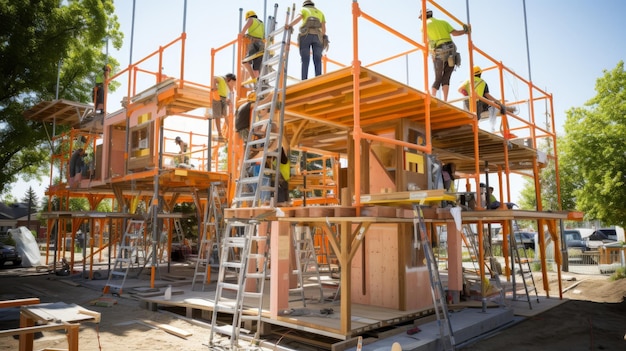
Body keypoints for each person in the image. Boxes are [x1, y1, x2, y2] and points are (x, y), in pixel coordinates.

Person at [421, 9, 469, 101]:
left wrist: (430, 55)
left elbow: (424, 43)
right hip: (451, 50)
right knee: (446, 77)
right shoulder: (443, 22)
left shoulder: (424, 26)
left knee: (438, 77)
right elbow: (455, 33)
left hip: (439, 51)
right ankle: (445, 100)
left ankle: (433, 99)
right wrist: (465, 31)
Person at [289, 0, 327, 80]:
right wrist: (323, 38)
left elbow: (298, 18)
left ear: (304, 5)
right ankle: (318, 78)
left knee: (305, 58)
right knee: (317, 58)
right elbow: (323, 30)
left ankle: (304, 79)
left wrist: (289, 25)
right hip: (317, 36)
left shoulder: (304, 10)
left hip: (305, 35)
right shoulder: (320, 12)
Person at [240, 10, 265, 80]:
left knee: (245, 62)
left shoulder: (251, 19)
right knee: (256, 67)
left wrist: (241, 36)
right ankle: (259, 80)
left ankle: (254, 79)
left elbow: (244, 30)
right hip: (261, 44)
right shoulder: (261, 23)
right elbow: (263, 36)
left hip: (254, 43)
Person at [212, 73, 237, 141]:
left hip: (223, 98)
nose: (232, 85)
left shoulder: (226, 85)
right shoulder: (222, 79)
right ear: (229, 79)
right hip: (217, 97)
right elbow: (214, 78)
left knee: (225, 115)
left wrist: (227, 100)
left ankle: (231, 130)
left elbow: (224, 93)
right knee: (218, 116)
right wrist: (214, 87)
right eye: (232, 83)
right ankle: (219, 133)